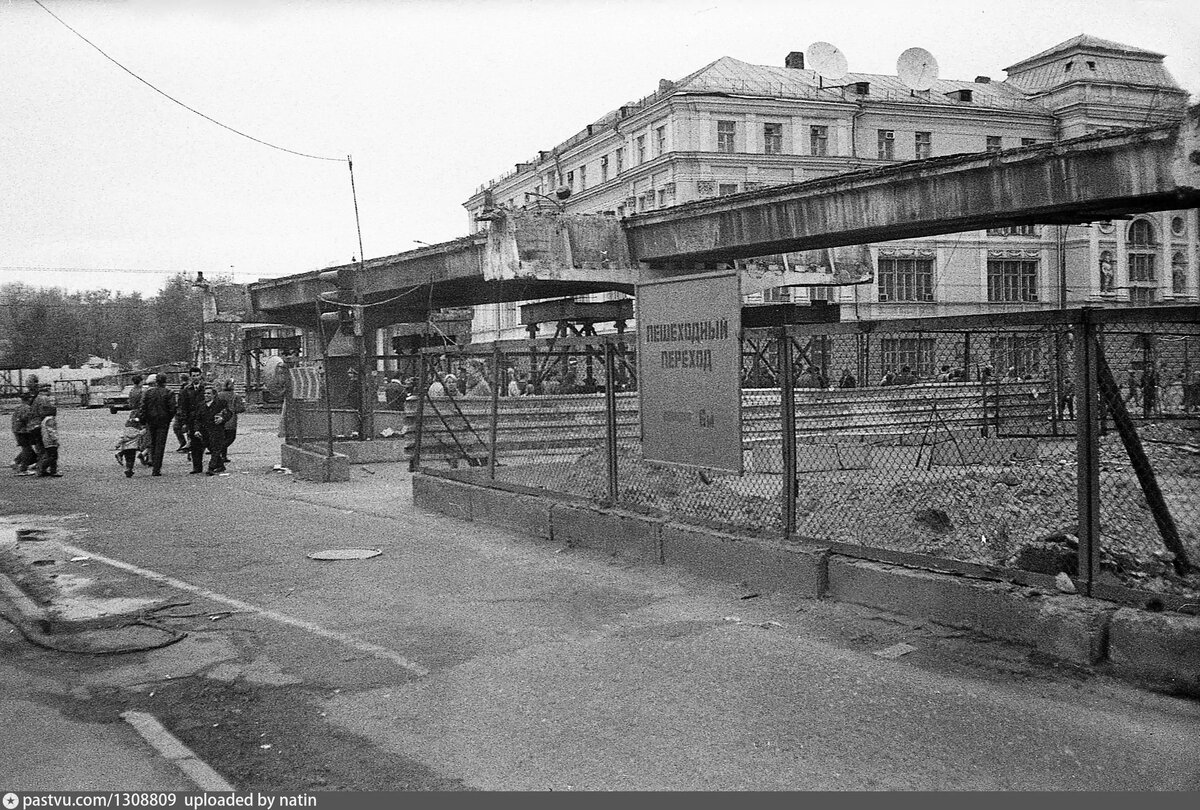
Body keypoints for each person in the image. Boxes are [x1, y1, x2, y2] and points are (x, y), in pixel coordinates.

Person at [137, 372, 175, 476]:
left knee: (152, 443)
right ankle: (157, 468)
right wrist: (168, 418)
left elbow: (143, 407)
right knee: (160, 444)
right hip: (163, 421)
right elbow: (172, 409)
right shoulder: (169, 392)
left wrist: (143, 420)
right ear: (165, 381)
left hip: (151, 420)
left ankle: (153, 462)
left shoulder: (148, 392)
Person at [192, 385, 232, 475]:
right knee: (211, 447)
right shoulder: (201, 405)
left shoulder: (220, 403)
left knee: (216, 449)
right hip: (205, 431)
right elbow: (197, 419)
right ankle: (220, 466)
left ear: (214, 395)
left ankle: (211, 467)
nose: (206, 395)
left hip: (217, 429)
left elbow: (229, 413)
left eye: (209, 393)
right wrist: (197, 430)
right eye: (205, 393)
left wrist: (222, 419)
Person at [178, 367, 208, 474]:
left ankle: (215, 464)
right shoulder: (186, 390)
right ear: (190, 377)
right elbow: (182, 407)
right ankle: (197, 467)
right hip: (192, 419)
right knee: (195, 443)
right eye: (193, 376)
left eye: (197, 375)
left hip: (205, 419)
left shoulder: (206, 389)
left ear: (201, 375)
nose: (195, 378)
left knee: (208, 441)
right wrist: (184, 422)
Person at [217, 378, 245, 465]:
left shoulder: (218, 395)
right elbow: (240, 408)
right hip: (231, 419)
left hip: (220, 418)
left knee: (223, 437)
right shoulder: (235, 396)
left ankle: (223, 456)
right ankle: (219, 451)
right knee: (230, 438)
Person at [11, 392, 35, 474]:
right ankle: (23, 468)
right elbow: (26, 419)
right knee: (27, 450)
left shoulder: (18, 407)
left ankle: (16, 462)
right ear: (29, 399)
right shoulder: (27, 408)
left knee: (27, 448)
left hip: (17, 430)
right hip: (23, 431)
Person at [36, 404, 60, 477]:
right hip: (50, 441)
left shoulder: (45, 419)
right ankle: (45, 469)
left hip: (46, 440)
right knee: (53, 456)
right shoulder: (50, 419)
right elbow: (51, 431)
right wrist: (55, 439)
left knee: (50, 456)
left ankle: (49, 470)